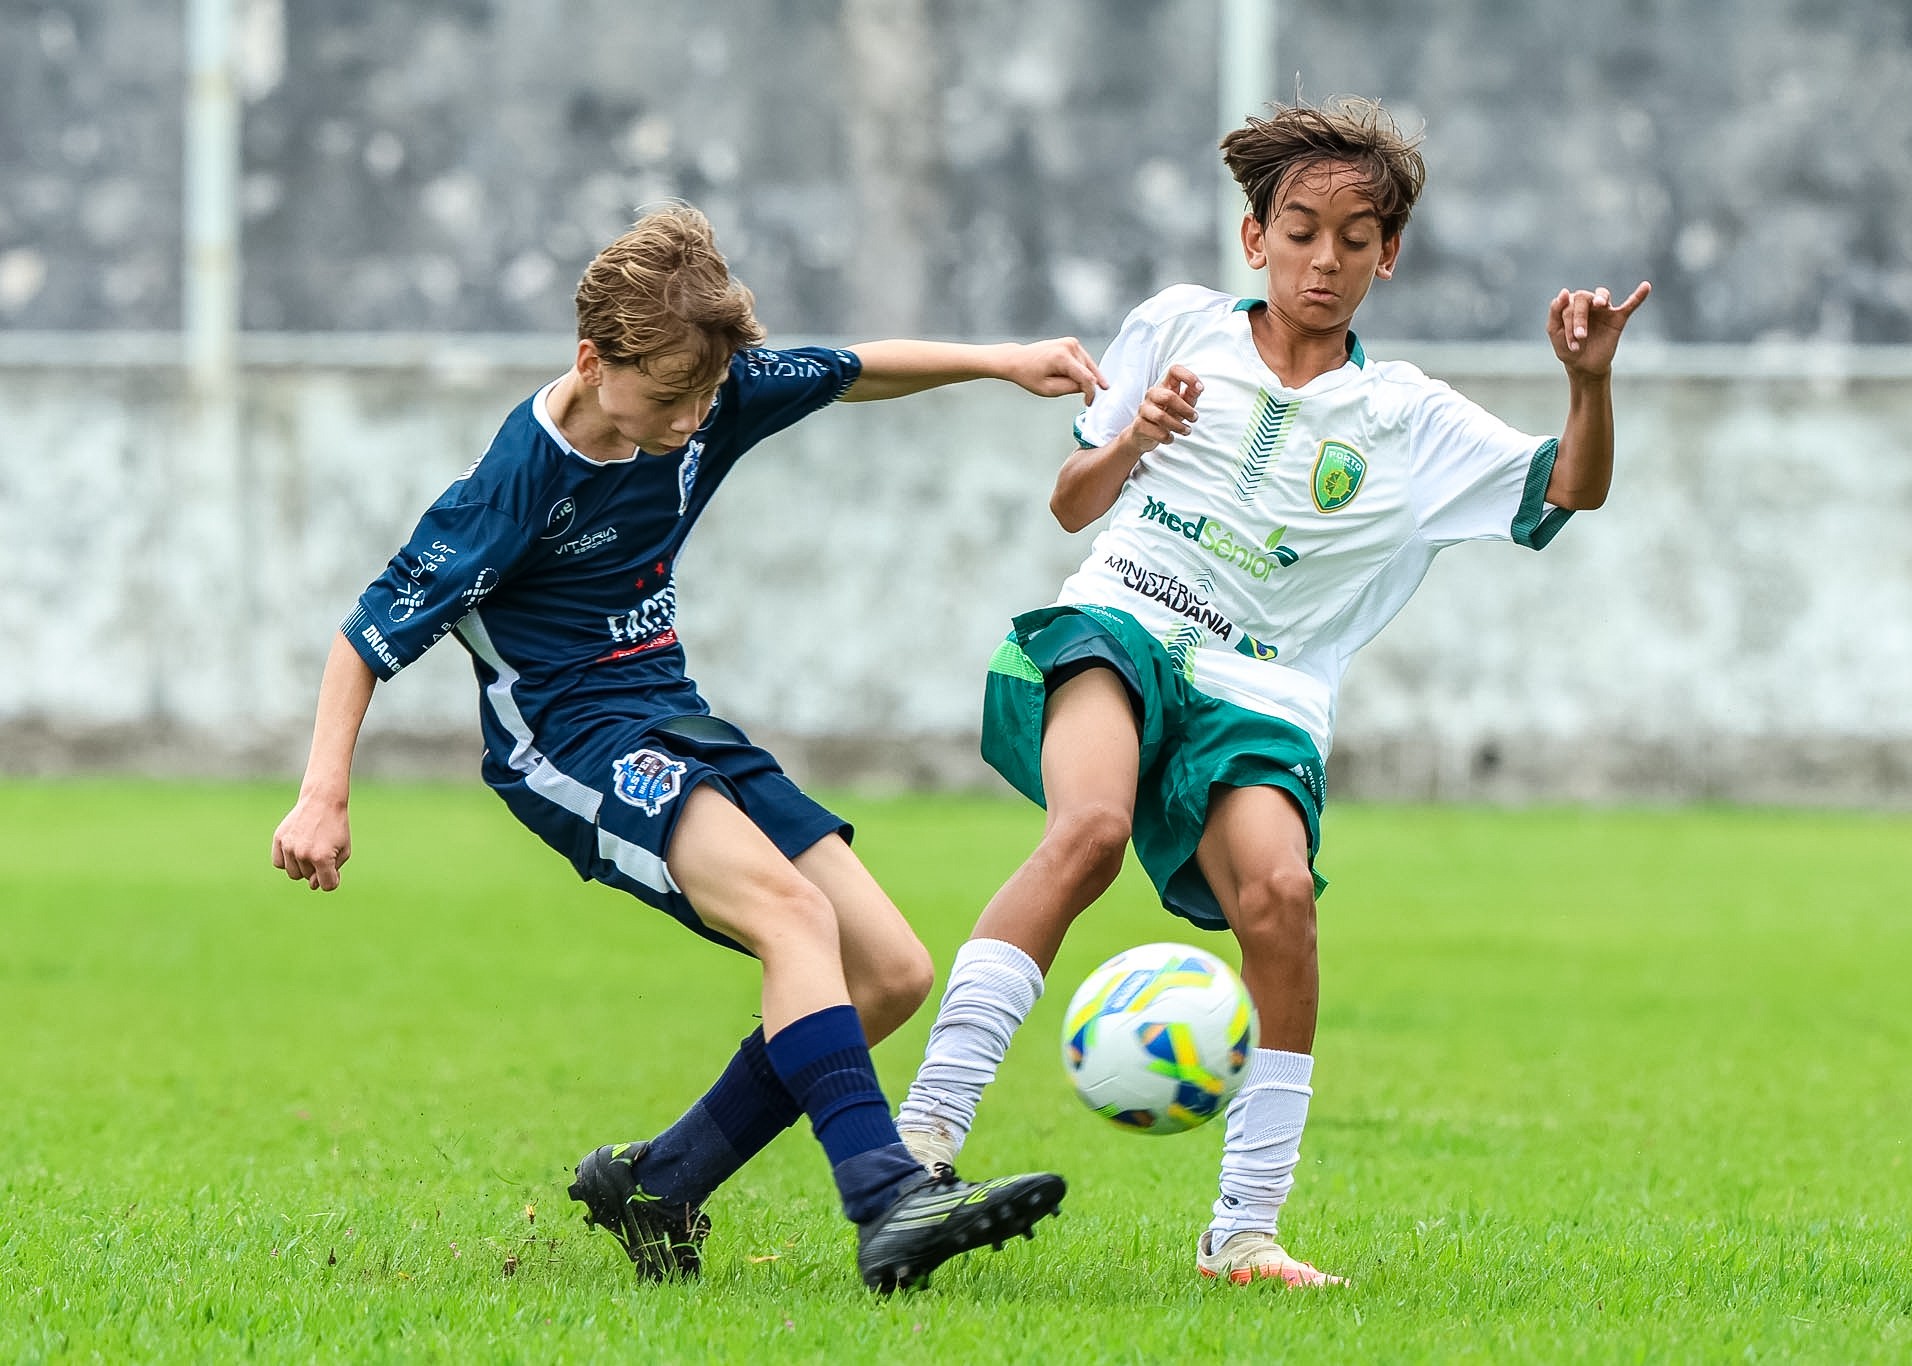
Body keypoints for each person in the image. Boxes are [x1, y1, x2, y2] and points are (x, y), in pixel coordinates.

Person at [269, 203, 1108, 1293]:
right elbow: (365, 635)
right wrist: (320, 794)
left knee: (891, 972)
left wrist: (1002, 363)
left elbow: (856, 368)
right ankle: (889, 1198)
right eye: (668, 396)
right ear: (592, 360)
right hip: (569, 740)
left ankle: (661, 1183)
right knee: (793, 916)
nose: (691, 418)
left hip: (675, 714)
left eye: (705, 395)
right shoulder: (516, 483)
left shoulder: (707, 389)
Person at [893, 98, 1650, 1287]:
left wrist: (1586, 383)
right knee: (1086, 831)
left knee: (1283, 900)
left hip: (1264, 689)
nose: (1324, 259)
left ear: (1386, 255)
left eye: (1354, 238)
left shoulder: (1405, 416)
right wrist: (1132, 437)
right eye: (1300, 230)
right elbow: (1070, 502)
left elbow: (1570, 489)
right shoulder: (1176, 327)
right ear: (1255, 238)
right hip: (1122, 616)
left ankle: (1241, 1231)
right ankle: (920, 1144)